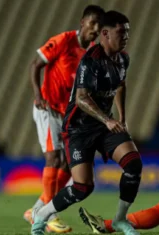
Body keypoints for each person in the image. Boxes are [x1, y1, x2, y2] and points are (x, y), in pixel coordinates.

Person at [31, 11, 143, 235]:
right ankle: (41, 216)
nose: (126, 37)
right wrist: (108, 119)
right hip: (79, 128)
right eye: (121, 32)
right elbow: (81, 99)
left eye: (128, 32)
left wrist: (121, 118)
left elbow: (120, 85)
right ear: (105, 33)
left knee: (133, 165)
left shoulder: (123, 59)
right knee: (83, 187)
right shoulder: (90, 61)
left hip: (104, 125)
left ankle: (120, 220)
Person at [24, 5, 105, 233]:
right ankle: (49, 216)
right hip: (47, 108)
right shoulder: (63, 41)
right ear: (82, 22)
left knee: (70, 164)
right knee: (54, 157)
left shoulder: (91, 54)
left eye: (99, 25)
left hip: (67, 114)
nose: (96, 29)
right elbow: (35, 64)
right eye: (92, 23)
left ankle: (38, 209)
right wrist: (38, 95)